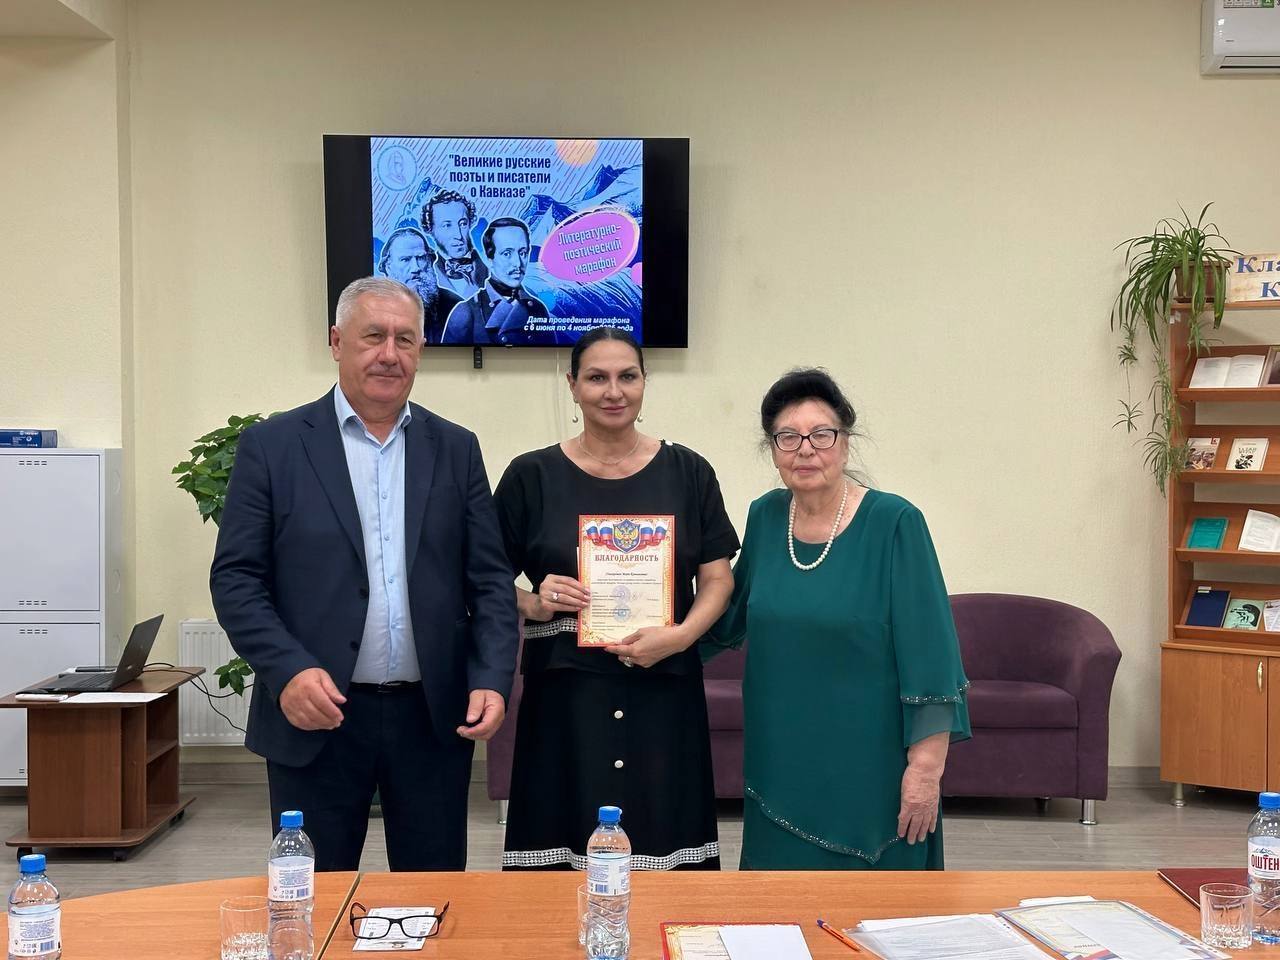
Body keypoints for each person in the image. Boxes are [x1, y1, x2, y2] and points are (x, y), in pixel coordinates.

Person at [209, 276, 518, 872]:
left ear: (421, 350)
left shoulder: (456, 448)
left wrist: (492, 677)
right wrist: (287, 670)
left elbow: (489, 581)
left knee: (431, 898)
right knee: (314, 895)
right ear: (336, 342)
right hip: (314, 712)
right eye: (373, 336)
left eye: (405, 339)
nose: (389, 354)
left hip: (431, 719)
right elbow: (237, 579)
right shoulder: (272, 447)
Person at [706, 368, 970, 870]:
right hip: (780, 758)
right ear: (773, 450)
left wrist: (925, 769)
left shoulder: (895, 522)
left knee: (879, 912)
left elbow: (932, 654)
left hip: (870, 766)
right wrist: (654, 632)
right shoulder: (766, 516)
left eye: (821, 435)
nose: (805, 450)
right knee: (779, 908)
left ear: (845, 443)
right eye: (788, 437)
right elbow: (728, 616)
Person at [494, 326, 738, 871]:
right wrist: (533, 602)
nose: (613, 391)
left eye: (627, 376)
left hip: (664, 685)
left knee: (663, 833)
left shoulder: (689, 472)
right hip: (565, 695)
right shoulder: (531, 475)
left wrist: (680, 636)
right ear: (572, 385)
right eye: (596, 378)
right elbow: (486, 579)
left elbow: (718, 580)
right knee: (562, 836)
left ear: (645, 382)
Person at [441, 218, 559, 345]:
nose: (518, 263)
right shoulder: (466, 313)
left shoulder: (537, 308)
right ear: (489, 259)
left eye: (523, 253)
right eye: (507, 254)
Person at [376, 226, 463, 344]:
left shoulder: (455, 306)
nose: (415, 268)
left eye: (421, 258)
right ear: (388, 266)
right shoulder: (373, 308)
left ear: (430, 261)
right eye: (405, 260)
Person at [421, 190, 488, 299]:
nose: (458, 235)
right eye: (447, 226)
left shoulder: (491, 271)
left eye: (463, 224)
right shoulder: (425, 274)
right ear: (430, 229)